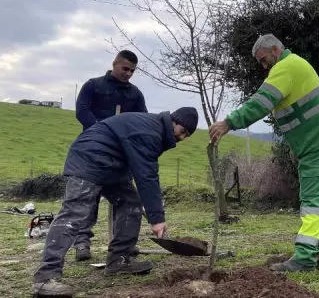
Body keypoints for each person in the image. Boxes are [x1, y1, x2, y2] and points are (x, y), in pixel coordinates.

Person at [32, 107, 199, 297]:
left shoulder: (155, 130)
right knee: (74, 214)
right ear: (174, 122)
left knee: (131, 203)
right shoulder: (151, 131)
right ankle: (45, 278)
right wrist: (157, 217)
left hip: (111, 165)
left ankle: (118, 261)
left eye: (188, 135)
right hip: (90, 158)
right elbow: (147, 175)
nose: (183, 138)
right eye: (183, 131)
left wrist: (149, 207)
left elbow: (135, 163)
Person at [209, 34, 319, 272]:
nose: (263, 65)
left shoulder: (285, 67)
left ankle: (305, 256)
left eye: (263, 59)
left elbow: (261, 102)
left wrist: (228, 123)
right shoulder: (297, 64)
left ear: (274, 50)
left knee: (312, 199)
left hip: (315, 140)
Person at [73, 50, 148, 261]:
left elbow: (141, 121)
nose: (128, 74)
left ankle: (122, 243)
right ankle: (82, 244)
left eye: (132, 71)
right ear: (115, 64)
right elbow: (82, 111)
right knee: (88, 199)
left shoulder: (135, 95)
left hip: (121, 156)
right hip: (93, 153)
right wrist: (101, 131)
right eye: (125, 69)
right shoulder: (93, 85)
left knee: (126, 199)